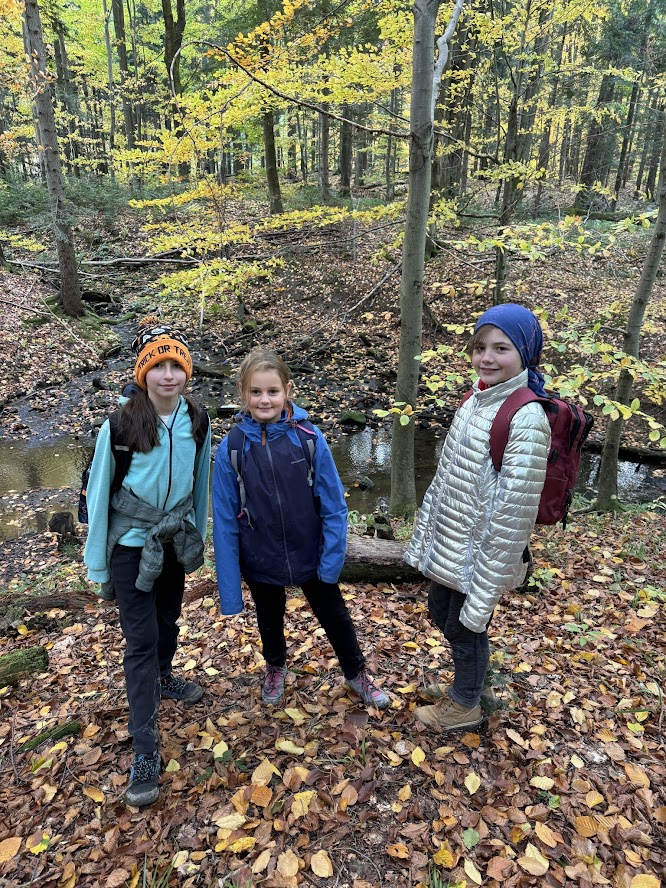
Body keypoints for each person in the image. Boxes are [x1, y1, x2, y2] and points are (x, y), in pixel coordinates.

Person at [212, 348, 389, 710]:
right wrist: (229, 591)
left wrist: (331, 560)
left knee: (335, 615)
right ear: (243, 393)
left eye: (272, 391)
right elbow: (224, 521)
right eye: (256, 392)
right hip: (260, 553)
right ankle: (275, 666)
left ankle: (356, 671)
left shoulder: (308, 438)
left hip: (310, 549)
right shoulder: (232, 448)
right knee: (269, 617)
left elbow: (334, 504)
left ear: (287, 391)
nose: (264, 400)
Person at [404, 303, 551, 732]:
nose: (486, 357)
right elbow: (445, 478)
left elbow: (514, 516)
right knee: (442, 612)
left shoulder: (526, 417)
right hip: (452, 543)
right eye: (480, 347)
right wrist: (424, 538)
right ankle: (469, 683)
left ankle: (466, 702)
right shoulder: (476, 399)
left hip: (482, 553)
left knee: (466, 626)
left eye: (501, 348)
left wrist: (487, 583)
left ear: (525, 354)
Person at [83, 317, 211, 807]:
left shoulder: (197, 421)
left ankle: (163, 675)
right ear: (143, 372)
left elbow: (199, 483)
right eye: (158, 366)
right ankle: (145, 749)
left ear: (186, 372)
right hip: (131, 546)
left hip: (174, 541)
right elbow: (99, 496)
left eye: (176, 365)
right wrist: (98, 565)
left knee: (168, 619)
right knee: (140, 640)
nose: (167, 375)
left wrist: (197, 537)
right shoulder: (120, 426)